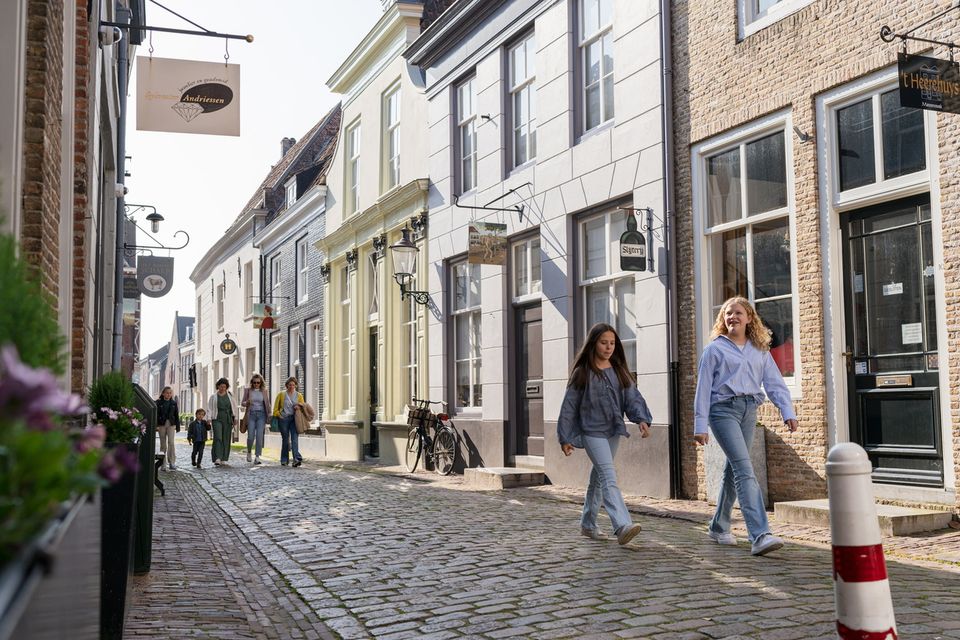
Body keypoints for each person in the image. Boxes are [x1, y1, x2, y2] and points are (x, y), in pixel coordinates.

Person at [693, 296, 799, 557]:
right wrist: (700, 424)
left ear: (749, 318)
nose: (733, 317)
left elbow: (774, 382)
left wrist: (787, 411)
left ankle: (718, 525)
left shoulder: (759, 350)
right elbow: (703, 389)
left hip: (749, 410)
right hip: (722, 411)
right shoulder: (714, 350)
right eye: (728, 313)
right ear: (723, 319)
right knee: (744, 468)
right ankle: (760, 535)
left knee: (734, 469)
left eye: (738, 313)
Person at [557, 322, 652, 546]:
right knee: (608, 475)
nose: (608, 347)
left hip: (612, 431)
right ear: (593, 344)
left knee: (599, 478)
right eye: (603, 343)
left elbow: (632, 397)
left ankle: (588, 524)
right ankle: (622, 525)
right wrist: (565, 437)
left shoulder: (619, 371)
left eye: (612, 343)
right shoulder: (582, 373)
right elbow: (568, 407)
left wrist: (642, 420)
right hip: (591, 432)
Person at [272, 377, 305, 467]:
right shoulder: (281, 395)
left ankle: (295, 459)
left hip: (295, 420)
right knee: (285, 440)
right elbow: (275, 409)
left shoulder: (299, 395)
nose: (291, 386)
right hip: (284, 420)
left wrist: (299, 407)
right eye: (290, 385)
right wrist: (279, 415)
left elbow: (303, 407)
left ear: (296, 386)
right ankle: (284, 460)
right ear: (286, 385)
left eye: (293, 385)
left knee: (295, 439)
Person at [207, 377, 236, 467]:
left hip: (227, 419)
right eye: (221, 386)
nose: (222, 388)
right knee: (218, 437)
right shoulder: (213, 397)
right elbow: (210, 408)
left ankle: (224, 458)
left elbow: (234, 408)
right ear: (218, 386)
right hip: (217, 418)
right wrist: (208, 418)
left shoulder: (230, 396)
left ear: (226, 387)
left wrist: (235, 419)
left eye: (224, 387)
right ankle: (217, 458)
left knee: (226, 438)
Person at [241, 373, 269, 465]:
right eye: (254, 382)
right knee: (251, 436)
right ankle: (249, 451)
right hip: (251, 414)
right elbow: (242, 403)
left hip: (261, 415)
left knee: (259, 436)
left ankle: (257, 457)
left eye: (258, 382)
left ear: (261, 383)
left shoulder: (264, 391)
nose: (256, 384)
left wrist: (269, 415)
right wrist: (247, 402)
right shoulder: (248, 391)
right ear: (252, 383)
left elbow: (267, 404)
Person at [155, 386, 181, 470]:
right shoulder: (158, 403)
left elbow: (176, 415)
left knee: (171, 442)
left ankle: (172, 462)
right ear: (163, 393)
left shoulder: (173, 403)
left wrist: (178, 426)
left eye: (170, 393)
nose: (169, 394)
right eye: (167, 393)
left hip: (171, 424)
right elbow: (156, 415)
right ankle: (162, 464)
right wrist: (156, 425)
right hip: (161, 424)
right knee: (163, 445)